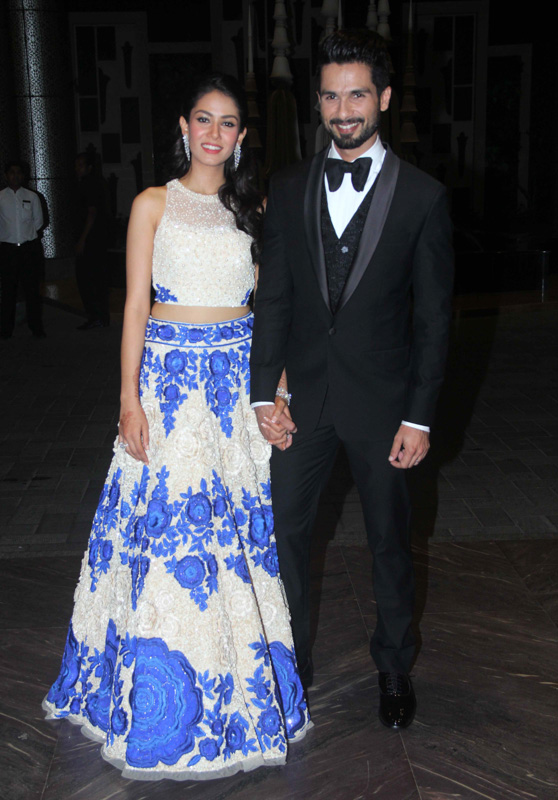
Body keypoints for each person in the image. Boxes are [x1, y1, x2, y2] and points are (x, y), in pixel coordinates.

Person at [44, 73, 311, 781]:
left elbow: (269, 312)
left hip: (232, 386)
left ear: (242, 135)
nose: (214, 133)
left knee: (233, 540)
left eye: (228, 122)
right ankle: (154, 701)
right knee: (166, 533)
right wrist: (127, 400)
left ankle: (236, 694)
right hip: (168, 387)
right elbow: (135, 305)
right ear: (184, 127)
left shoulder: (255, 208)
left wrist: (278, 393)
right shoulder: (151, 203)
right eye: (203, 119)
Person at [250, 30, 454, 730]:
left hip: (385, 407)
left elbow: (434, 320)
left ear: (384, 98)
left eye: (357, 95)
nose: (344, 110)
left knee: (391, 543)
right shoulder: (288, 187)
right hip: (301, 402)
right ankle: (290, 668)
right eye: (331, 96)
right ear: (318, 102)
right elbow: (274, 299)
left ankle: (394, 667)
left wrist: (419, 416)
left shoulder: (424, 197)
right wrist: (262, 394)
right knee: (283, 534)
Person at [0, 161, 45, 338]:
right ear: (6, 176)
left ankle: (36, 327)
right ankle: (6, 329)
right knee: (8, 291)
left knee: (32, 290)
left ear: (23, 175)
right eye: (12, 172)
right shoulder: (1, 197)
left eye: (18, 172)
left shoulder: (32, 197)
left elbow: (39, 222)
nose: (15, 175)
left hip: (28, 249)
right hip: (7, 250)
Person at [74, 152, 111, 330]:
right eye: (76, 165)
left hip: (91, 241)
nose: (77, 168)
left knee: (88, 279)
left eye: (81, 165)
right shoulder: (96, 183)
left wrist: (82, 239)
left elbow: (91, 212)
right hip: (97, 239)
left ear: (89, 167)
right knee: (96, 279)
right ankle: (100, 317)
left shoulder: (89, 184)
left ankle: (96, 316)